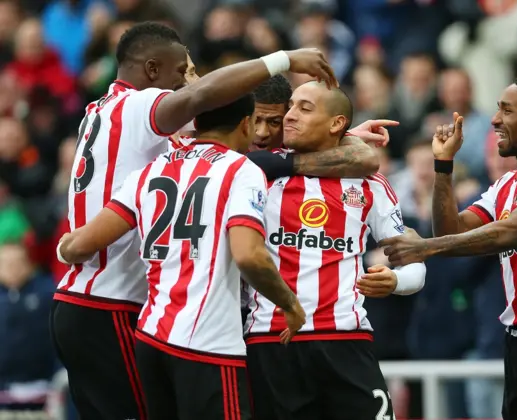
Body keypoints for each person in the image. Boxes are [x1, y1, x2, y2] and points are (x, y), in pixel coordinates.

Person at [51, 20, 338, 420]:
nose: (189, 81)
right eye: (180, 71)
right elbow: (203, 100)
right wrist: (284, 59)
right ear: (152, 71)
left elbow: (213, 136)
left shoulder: (106, 117)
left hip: (99, 305)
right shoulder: (137, 108)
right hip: (116, 305)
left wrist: (335, 137)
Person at [380, 76, 517, 420]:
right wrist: (443, 167)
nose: (495, 120)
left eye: (507, 110)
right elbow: (451, 228)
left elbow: (512, 231)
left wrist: (425, 247)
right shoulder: (507, 184)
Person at [244, 81, 427, 420]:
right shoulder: (254, 173)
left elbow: (414, 262)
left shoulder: (369, 183)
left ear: (336, 123)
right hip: (272, 342)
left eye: (305, 108)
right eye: (291, 106)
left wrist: (395, 281)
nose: (289, 117)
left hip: (346, 338)